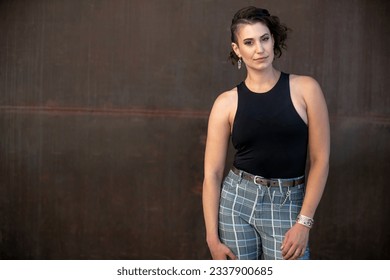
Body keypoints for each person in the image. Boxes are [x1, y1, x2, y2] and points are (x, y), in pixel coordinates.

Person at [202, 6, 330, 260]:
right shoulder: (225, 103)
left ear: (274, 40)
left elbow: (320, 160)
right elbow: (212, 174)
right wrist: (212, 239)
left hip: (288, 203)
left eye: (264, 38)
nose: (259, 49)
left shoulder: (306, 89)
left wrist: (304, 222)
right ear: (237, 49)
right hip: (236, 201)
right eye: (248, 42)